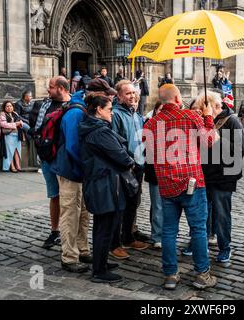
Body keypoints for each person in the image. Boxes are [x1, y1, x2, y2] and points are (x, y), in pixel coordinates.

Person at [143, 84, 218, 290]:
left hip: (167, 185)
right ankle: (202, 274)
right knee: (198, 230)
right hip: (192, 182)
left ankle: (170, 275)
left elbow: (148, 152)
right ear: (177, 98)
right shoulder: (190, 117)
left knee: (168, 232)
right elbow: (209, 141)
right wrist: (208, 116)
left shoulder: (151, 124)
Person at [79, 94, 135, 283]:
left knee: (105, 227)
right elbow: (121, 155)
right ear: (99, 110)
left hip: (103, 183)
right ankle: (99, 271)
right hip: (103, 184)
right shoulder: (99, 131)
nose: (112, 112)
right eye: (109, 109)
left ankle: (100, 262)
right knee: (104, 228)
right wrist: (129, 160)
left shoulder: (97, 128)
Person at [194, 91, 244, 264]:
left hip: (224, 176)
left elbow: (240, 151)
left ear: (216, 106)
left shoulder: (232, 121)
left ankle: (225, 247)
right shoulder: (204, 122)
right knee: (203, 212)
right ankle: (204, 240)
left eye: (204, 108)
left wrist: (218, 139)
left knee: (222, 213)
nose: (202, 112)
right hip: (205, 174)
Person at [49, 76, 91, 273]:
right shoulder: (75, 113)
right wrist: (85, 167)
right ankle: (69, 257)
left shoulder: (81, 109)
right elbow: (74, 147)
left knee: (82, 213)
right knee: (70, 214)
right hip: (70, 171)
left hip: (78, 171)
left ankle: (82, 249)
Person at [110, 80, 149, 260]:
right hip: (124, 166)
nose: (132, 96)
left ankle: (128, 237)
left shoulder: (137, 114)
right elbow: (116, 142)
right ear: (118, 96)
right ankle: (114, 243)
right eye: (127, 93)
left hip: (139, 165)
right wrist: (128, 161)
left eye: (133, 93)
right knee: (120, 206)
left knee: (133, 204)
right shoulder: (116, 114)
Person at [35, 77, 70, 250]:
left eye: (51, 87)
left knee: (70, 197)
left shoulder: (73, 106)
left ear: (61, 89)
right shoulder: (45, 104)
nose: (48, 90)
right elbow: (38, 129)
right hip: (48, 158)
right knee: (54, 196)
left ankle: (70, 232)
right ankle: (55, 231)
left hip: (66, 159)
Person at [144, 101, 164, 249]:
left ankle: (166, 233)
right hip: (155, 171)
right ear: (156, 110)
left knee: (168, 206)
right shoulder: (149, 124)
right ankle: (157, 235)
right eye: (160, 109)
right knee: (157, 205)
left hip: (170, 172)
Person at [0, 101, 24, 172]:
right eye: (7, 106)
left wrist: (20, 123)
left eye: (10, 106)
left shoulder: (15, 113)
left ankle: (18, 165)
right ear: (4, 107)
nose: (9, 108)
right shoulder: (2, 114)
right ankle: (11, 166)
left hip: (17, 135)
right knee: (9, 151)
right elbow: (3, 124)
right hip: (9, 135)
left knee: (17, 151)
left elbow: (20, 121)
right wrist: (15, 124)